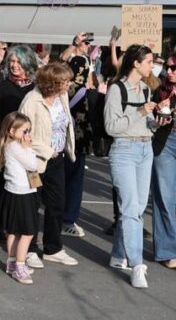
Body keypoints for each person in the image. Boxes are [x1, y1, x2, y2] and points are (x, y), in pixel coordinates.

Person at [104, 44, 165, 288]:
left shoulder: (146, 90)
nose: (153, 66)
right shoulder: (117, 89)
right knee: (130, 208)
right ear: (136, 64)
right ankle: (137, 264)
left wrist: (157, 122)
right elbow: (111, 127)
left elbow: (147, 123)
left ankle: (119, 254)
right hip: (124, 150)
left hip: (145, 148)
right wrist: (139, 113)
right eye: (149, 61)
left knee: (137, 208)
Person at [19, 62, 78, 269]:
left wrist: (65, 148)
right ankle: (30, 249)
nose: (69, 84)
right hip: (35, 160)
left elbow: (65, 124)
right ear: (53, 83)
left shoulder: (62, 97)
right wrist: (46, 150)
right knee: (33, 205)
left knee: (57, 203)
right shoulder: (32, 101)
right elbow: (22, 132)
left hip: (58, 159)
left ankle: (53, 248)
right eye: (65, 81)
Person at [0, 45, 38, 238]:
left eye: (18, 62)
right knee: (5, 185)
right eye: (11, 61)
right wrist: (4, 140)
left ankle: (24, 226)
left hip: (29, 143)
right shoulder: (4, 86)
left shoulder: (34, 87)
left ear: (27, 63)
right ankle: (3, 226)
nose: (14, 66)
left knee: (29, 185)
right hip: (7, 144)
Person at [0, 112, 38, 285]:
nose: (28, 135)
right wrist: (28, 148)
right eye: (24, 131)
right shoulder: (16, 147)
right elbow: (33, 165)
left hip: (15, 191)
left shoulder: (11, 146)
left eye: (29, 130)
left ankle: (12, 263)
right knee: (27, 233)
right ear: (12, 131)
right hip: (21, 193)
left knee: (13, 231)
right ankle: (19, 266)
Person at [62, 32, 94, 238]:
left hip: (68, 133)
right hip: (77, 133)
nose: (88, 46)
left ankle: (63, 216)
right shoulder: (77, 88)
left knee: (65, 175)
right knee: (73, 177)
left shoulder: (63, 88)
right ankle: (67, 219)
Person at [152, 52, 176, 269]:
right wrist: (158, 109)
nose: (168, 72)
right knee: (165, 198)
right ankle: (168, 250)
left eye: (173, 68)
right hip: (165, 142)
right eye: (168, 67)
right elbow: (149, 117)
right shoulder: (160, 89)